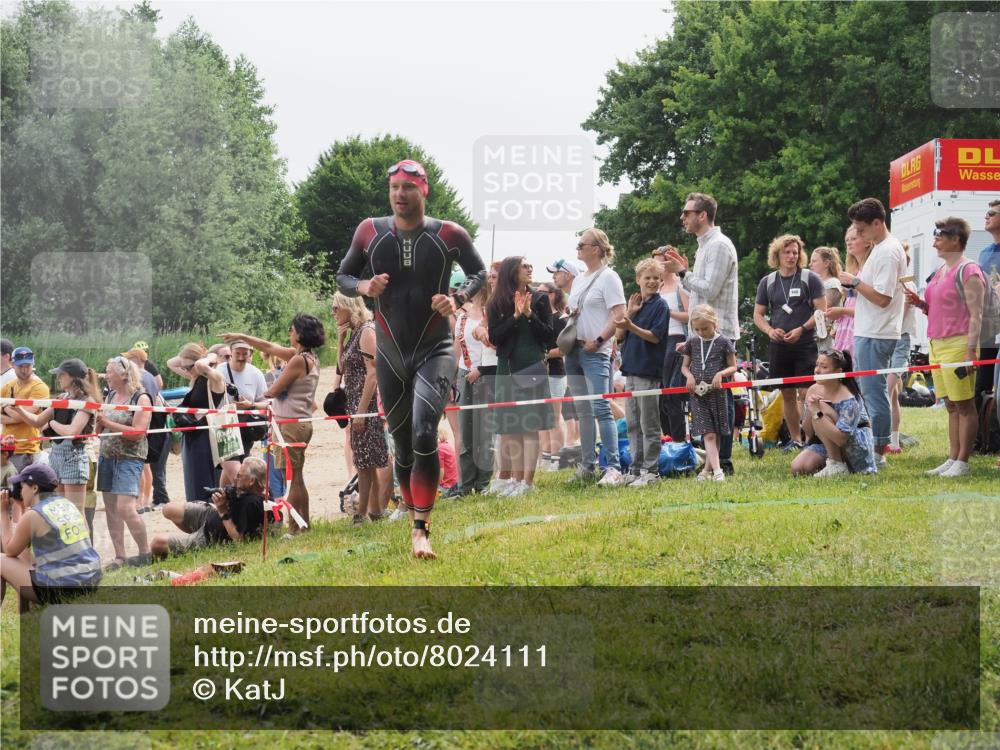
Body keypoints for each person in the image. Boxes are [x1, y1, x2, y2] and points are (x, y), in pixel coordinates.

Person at [335, 159, 486, 559]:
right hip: (389, 353)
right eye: (394, 188)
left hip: (435, 349)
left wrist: (456, 298)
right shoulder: (370, 231)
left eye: (408, 187)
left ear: (424, 191)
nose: (400, 195)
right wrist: (364, 284)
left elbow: (480, 273)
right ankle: (409, 511)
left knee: (424, 432)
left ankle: (422, 528)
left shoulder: (450, 234)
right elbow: (343, 275)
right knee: (402, 446)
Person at [221, 314, 325, 532]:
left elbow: (274, 390)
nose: (290, 333)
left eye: (292, 329)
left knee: (294, 478)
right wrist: (241, 336)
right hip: (297, 422)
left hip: (290, 425)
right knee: (298, 477)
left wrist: (251, 402)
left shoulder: (298, 360)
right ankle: (303, 523)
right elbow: (268, 346)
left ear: (300, 334)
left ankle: (295, 528)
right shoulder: (306, 356)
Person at [660, 192, 740, 474]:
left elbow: (709, 289)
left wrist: (683, 273)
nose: (683, 217)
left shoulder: (718, 245)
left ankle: (725, 461)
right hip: (701, 335)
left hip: (719, 334)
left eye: (687, 212)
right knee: (708, 398)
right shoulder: (704, 245)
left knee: (722, 396)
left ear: (702, 215)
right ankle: (714, 461)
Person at [906, 217, 986, 478]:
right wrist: (920, 304)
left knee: (964, 404)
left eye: (939, 236)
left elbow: (977, 314)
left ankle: (963, 460)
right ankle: (952, 458)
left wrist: (970, 350)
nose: (934, 241)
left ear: (955, 239)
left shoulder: (969, 270)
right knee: (951, 405)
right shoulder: (940, 272)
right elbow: (940, 310)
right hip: (936, 343)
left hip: (959, 343)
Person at [840, 198, 907, 462]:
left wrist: (854, 282)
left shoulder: (889, 251)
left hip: (877, 332)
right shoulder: (880, 248)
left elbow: (883, 298)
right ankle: (875, 447)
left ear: (877, 223)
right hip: (869, 330)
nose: (857, 234)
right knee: (871, 391)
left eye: (861, 229)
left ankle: (879, 452)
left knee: (874, 393)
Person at [564, 228, 627, 486]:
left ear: (597, 249)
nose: (577, 248)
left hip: (595, 351)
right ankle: (588, 465)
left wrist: (600, 340)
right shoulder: (579, 279)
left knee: (601, 407)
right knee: (583, 409)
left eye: (582, 244)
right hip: (575, 349)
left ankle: (613, 467)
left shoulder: (609, 278)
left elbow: (619, 314)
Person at [487, 256, 553, 497]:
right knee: (511, 427)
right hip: (506, 368)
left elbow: (548, 334)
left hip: (531, 367)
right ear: (511, 272)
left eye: (530, 265)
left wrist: (528, 314)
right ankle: (515, 480)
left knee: (529, 428)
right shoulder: (496, 302)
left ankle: (528, 482)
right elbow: (494, 338)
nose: (530, 268)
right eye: (524, 265)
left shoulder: (540, 298)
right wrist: (514, 317)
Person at [753, 234, 827, 448]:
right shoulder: (768, 282)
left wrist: (802, 328)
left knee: (806, 392)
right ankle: (795, 439)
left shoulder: (809, 278)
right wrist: (769, 331)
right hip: (779, 346)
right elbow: (758, 314)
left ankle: (812, 436)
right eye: (787, 252)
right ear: (777, 254)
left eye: (795, 252)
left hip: (805, 343)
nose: (792, 256)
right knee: (786, 392)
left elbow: (821, 310)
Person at [12, 359, 99, 525]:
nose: (58, 378)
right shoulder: (62, 398)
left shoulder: (87, 400)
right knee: (61, 510)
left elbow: (73, 432)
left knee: (76, 511)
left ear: (72, 377)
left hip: (74, 456)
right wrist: (19, 408)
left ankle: (83, 548)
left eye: (62, 374)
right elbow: (37, 421)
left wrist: (51, 424)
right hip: (57, 456)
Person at [1, 463, 101, 607]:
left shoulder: (33, 515)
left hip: (62, 591)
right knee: (22, 554)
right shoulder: (68, 505)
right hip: (89, 583)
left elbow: (9, 550)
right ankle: (26, 613)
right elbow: (20, 549)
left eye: (22, 487)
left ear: (34, 488)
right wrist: (21, 506)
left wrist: (3, 513)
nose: (20, 491)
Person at [332, 293, 389, 524]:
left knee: (366, 461)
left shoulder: (367, 330)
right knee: (364, 460)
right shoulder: (355, 332)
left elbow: (373, 374)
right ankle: (373, 512)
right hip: (355, 401)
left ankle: (362, 513)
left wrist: (361, 411)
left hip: (365, 403)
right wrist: (340, 341)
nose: (333, 312)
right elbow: (341, 367)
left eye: (336, 308)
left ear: (348, 306)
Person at [615, 258, 669, 486]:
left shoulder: (661, 306)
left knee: (649, 424)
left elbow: (655, 336)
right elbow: (619, 337)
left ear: (661, 281)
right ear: (638, 280)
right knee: (633, 423)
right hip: (631, 370)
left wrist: (631, 326)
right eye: (647, 278)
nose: (652, 282)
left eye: (656, 278)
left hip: (649, 372)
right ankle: (635, 469)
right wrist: (630, 313)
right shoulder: (637, 306)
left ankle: (651, 471)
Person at [151, 456, 271, 558]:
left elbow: (240, 540)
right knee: (168, 509)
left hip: (211, 535)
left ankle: (191, 541)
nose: (235, 478)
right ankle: (191, 536)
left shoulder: (253, 504)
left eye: (239, 475)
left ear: (251, 481)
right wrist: (224, 496)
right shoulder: (254, 489)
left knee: (157, 543)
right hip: (213, 515)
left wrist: (223, 511)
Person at [95, 357, 151, 569]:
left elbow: (137, 433)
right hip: (107, 456)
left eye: (109, 372)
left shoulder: (141, 398)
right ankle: (120, 556)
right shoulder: (109, 396)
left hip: (130, 458)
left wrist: (108, 422)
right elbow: (98, 431)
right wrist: (99, 422)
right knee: (111, 509)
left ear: (124, 374)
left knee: (125, 508)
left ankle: (145, 552)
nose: (106, 376)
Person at [791, 350, 877, 477]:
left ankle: (837, 465)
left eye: (824, 367)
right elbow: (808, 432)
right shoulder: (813, 389)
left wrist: (817, 412)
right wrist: (811, 409)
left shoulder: (849, 397)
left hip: (854, 446)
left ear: (838, 372)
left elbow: (842, 439)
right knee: (799, 468)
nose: (817, 371)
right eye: (817, 365)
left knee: (821, 409)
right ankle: (833, 462)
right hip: (826, 442)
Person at [166, 343, 233, 503]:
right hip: (192, 436)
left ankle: (208, 517)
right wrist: (186, 358)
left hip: (207, 437)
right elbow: (171, 363)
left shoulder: (214, 378)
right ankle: (198, 517)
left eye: (189, 367)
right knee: (193, 481)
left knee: (205, 481)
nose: (186, 370)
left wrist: (208, 357)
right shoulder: (196, 377)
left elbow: (201, 365)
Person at [681, 305, 737, 482]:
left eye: (705, 328)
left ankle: (706, 471)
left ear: (714, 323)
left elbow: (733, 366)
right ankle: (718, 471)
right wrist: (689, 376)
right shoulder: (692, 342)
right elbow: (684, 366)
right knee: (708, 434)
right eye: (697, 329)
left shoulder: (724, 342)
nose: (701, 332)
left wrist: (721, 374)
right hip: (698, 394)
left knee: (717, 432)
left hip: (718, 393)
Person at [455, 284, 497, 494]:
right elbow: (456, 347)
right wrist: (452, 377)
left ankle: (483, 483)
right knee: (466, 432)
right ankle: (465, 484)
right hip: (464, 374)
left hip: (486, 374)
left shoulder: (491, 311)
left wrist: (480, 369)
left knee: (485, 433)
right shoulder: (462, 315)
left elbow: (492, 346)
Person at [652, 246, 690, 444]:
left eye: (663, 260)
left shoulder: (680, 287)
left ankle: (678, 439)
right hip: (657, 341)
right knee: (659, 395)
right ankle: (666, 437)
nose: (659, 265)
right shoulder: (655, 288)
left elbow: (691, 315)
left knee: (672, 392)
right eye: (656, 260)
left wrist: (668, 312)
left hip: (675, 339)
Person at [122, 346, 163, 512]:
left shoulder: (140, 376)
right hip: (150, 420)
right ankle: (145, 500)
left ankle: (141, 501)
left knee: (141, 464)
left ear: (136, 360)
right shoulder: (151, 377)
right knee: (145, 464)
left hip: (144, 421)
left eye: (129, 359)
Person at [886, 243, 918, 454]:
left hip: (899, 340)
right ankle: (894, 442)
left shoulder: (907, 286)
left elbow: (901, 316)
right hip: (886, 340)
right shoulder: (890, 284)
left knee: (886, 392)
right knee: (893, 395)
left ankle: (886, 440)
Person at [0, 347, 50, 472]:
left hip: (26, 451)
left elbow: (23, 415)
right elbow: (19, 417)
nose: (24, 370)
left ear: (33, 364)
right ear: (12, 364)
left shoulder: (40, 387)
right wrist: (13, 413)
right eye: (20, 366)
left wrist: (5, 409)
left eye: (28, 365)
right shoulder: (8, 386)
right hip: (5, 448)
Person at [218, 339, 269, 458]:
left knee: (239, 463)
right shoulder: (219, 371)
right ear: (230, 353)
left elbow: (265, 403)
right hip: (223, 426)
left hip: (246, 428)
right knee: (231, 467)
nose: (241, 357)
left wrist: (250, 405)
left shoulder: (256, 374)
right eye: (237, 353)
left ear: (250, 355)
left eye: (245, 354)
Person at [829, 226, 873, 355]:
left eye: (854, 238)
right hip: (847, 327)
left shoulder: (869, 269)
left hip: (861, 328)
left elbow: (871, 306)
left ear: (867, 242)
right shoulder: (855, 270)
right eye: (847, 239)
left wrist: (842, 311)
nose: (849, 242)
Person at [539, 281, 568, 472]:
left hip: (555, 373)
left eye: (542, 292)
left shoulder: (560, 319)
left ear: (552, 295)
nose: (537, 295)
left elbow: (565, 349)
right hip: (538, 374)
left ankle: (557, 458)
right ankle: (546, 457)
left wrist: (544, 354)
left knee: (555, 417)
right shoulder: (538, 318)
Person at [809, 246, 844, 352]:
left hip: (826, 337)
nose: (810, 265)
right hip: (814, 336)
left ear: (826, 263)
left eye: (814, 261)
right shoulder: (815, 284)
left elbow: (824, 307)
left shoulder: (832, 283)